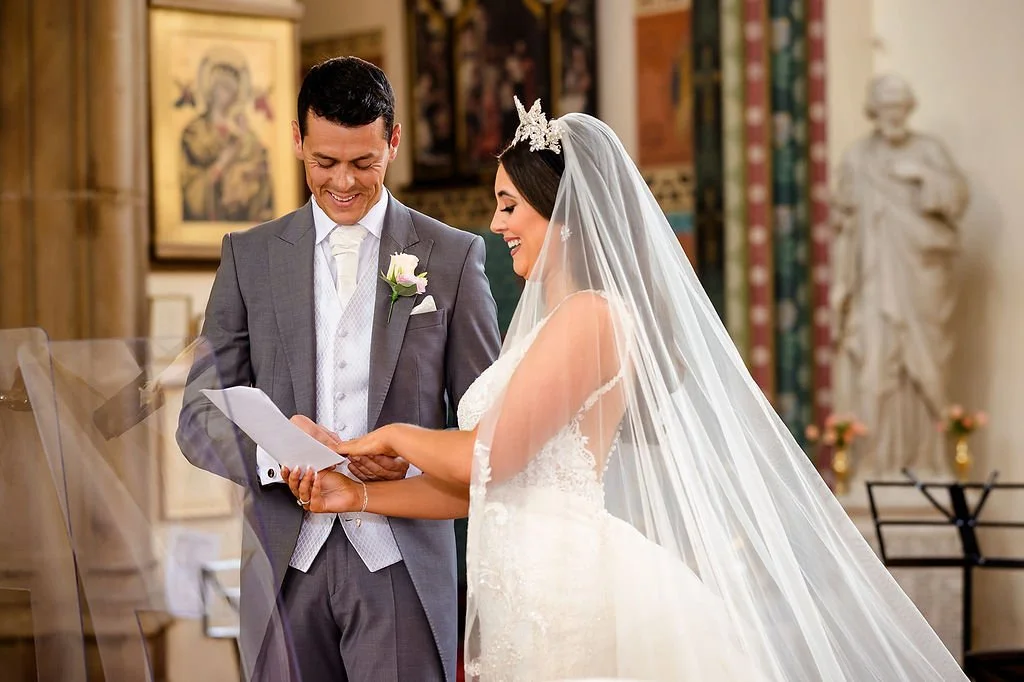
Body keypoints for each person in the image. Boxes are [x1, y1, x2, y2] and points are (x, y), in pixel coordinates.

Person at [285, 97, 967, 680]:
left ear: (565, 214)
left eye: (509, 205)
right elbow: (482, 487)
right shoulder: (550, 324)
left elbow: (490, 457)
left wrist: (383, 438)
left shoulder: (594, 317)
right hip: (526, 583)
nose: (496, 226)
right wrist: (361, 492)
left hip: (568, 587)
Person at [176, 56, 501, 682]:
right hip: (282, 565)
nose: (344, 182)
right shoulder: (248, 258)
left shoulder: (454, 258)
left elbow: (488, 434)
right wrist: (280, 458)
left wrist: (411, 457)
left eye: (364, 163)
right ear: (297, 141)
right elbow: (196, 419)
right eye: (325, 163)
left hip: (401, 562)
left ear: (394, 141)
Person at [831, 74, 969, 481]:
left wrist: (923, 175)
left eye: (900, 108)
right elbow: (846, 227)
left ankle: (929, 461)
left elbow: (957, 199)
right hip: (873, 283)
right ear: (874, 111)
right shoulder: (858, 158)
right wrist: (841, 283)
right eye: (885, 108)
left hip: (920, 281)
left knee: (924, 366)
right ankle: (872, 463)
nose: (893, 116)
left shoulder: (929, 152)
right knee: (875, 368)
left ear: (909, 109)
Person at [180, 47, 274, 222]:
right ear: (211, 89)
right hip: (207, 200)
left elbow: (260, 163)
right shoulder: (195, 129)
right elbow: (191, 179)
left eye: (231, 89)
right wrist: (222, 163)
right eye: (222, 87)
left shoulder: (244, 132)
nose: (226, 95)